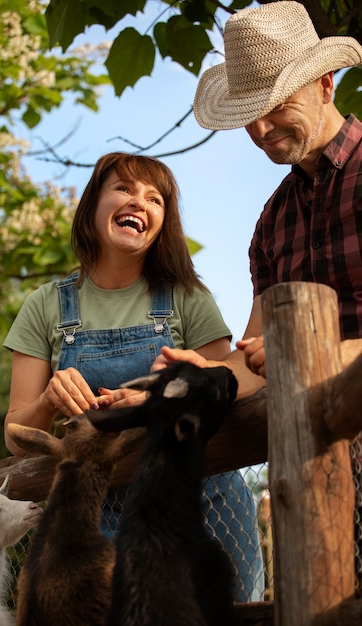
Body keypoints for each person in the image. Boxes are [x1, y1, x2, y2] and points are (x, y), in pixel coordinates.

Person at [153, 0, 362, 581]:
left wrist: (315, 357)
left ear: (325, 83)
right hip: (314, 469)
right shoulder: (272, 223)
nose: (261, 130)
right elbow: (256, 356)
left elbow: (293, 355)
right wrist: (198, 379)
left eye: (275, 107)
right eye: (249, 115)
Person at [3, 151, 264, 602]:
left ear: (163, 221)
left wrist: (160, 399)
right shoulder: (44, 305)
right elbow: (14, 434)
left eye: (155, 198)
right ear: (93, 206)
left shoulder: (187, 297)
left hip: (205, 505)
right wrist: (49, 398)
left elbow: (229, 388)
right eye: (123, 188)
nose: (139, 202)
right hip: (97, 516)